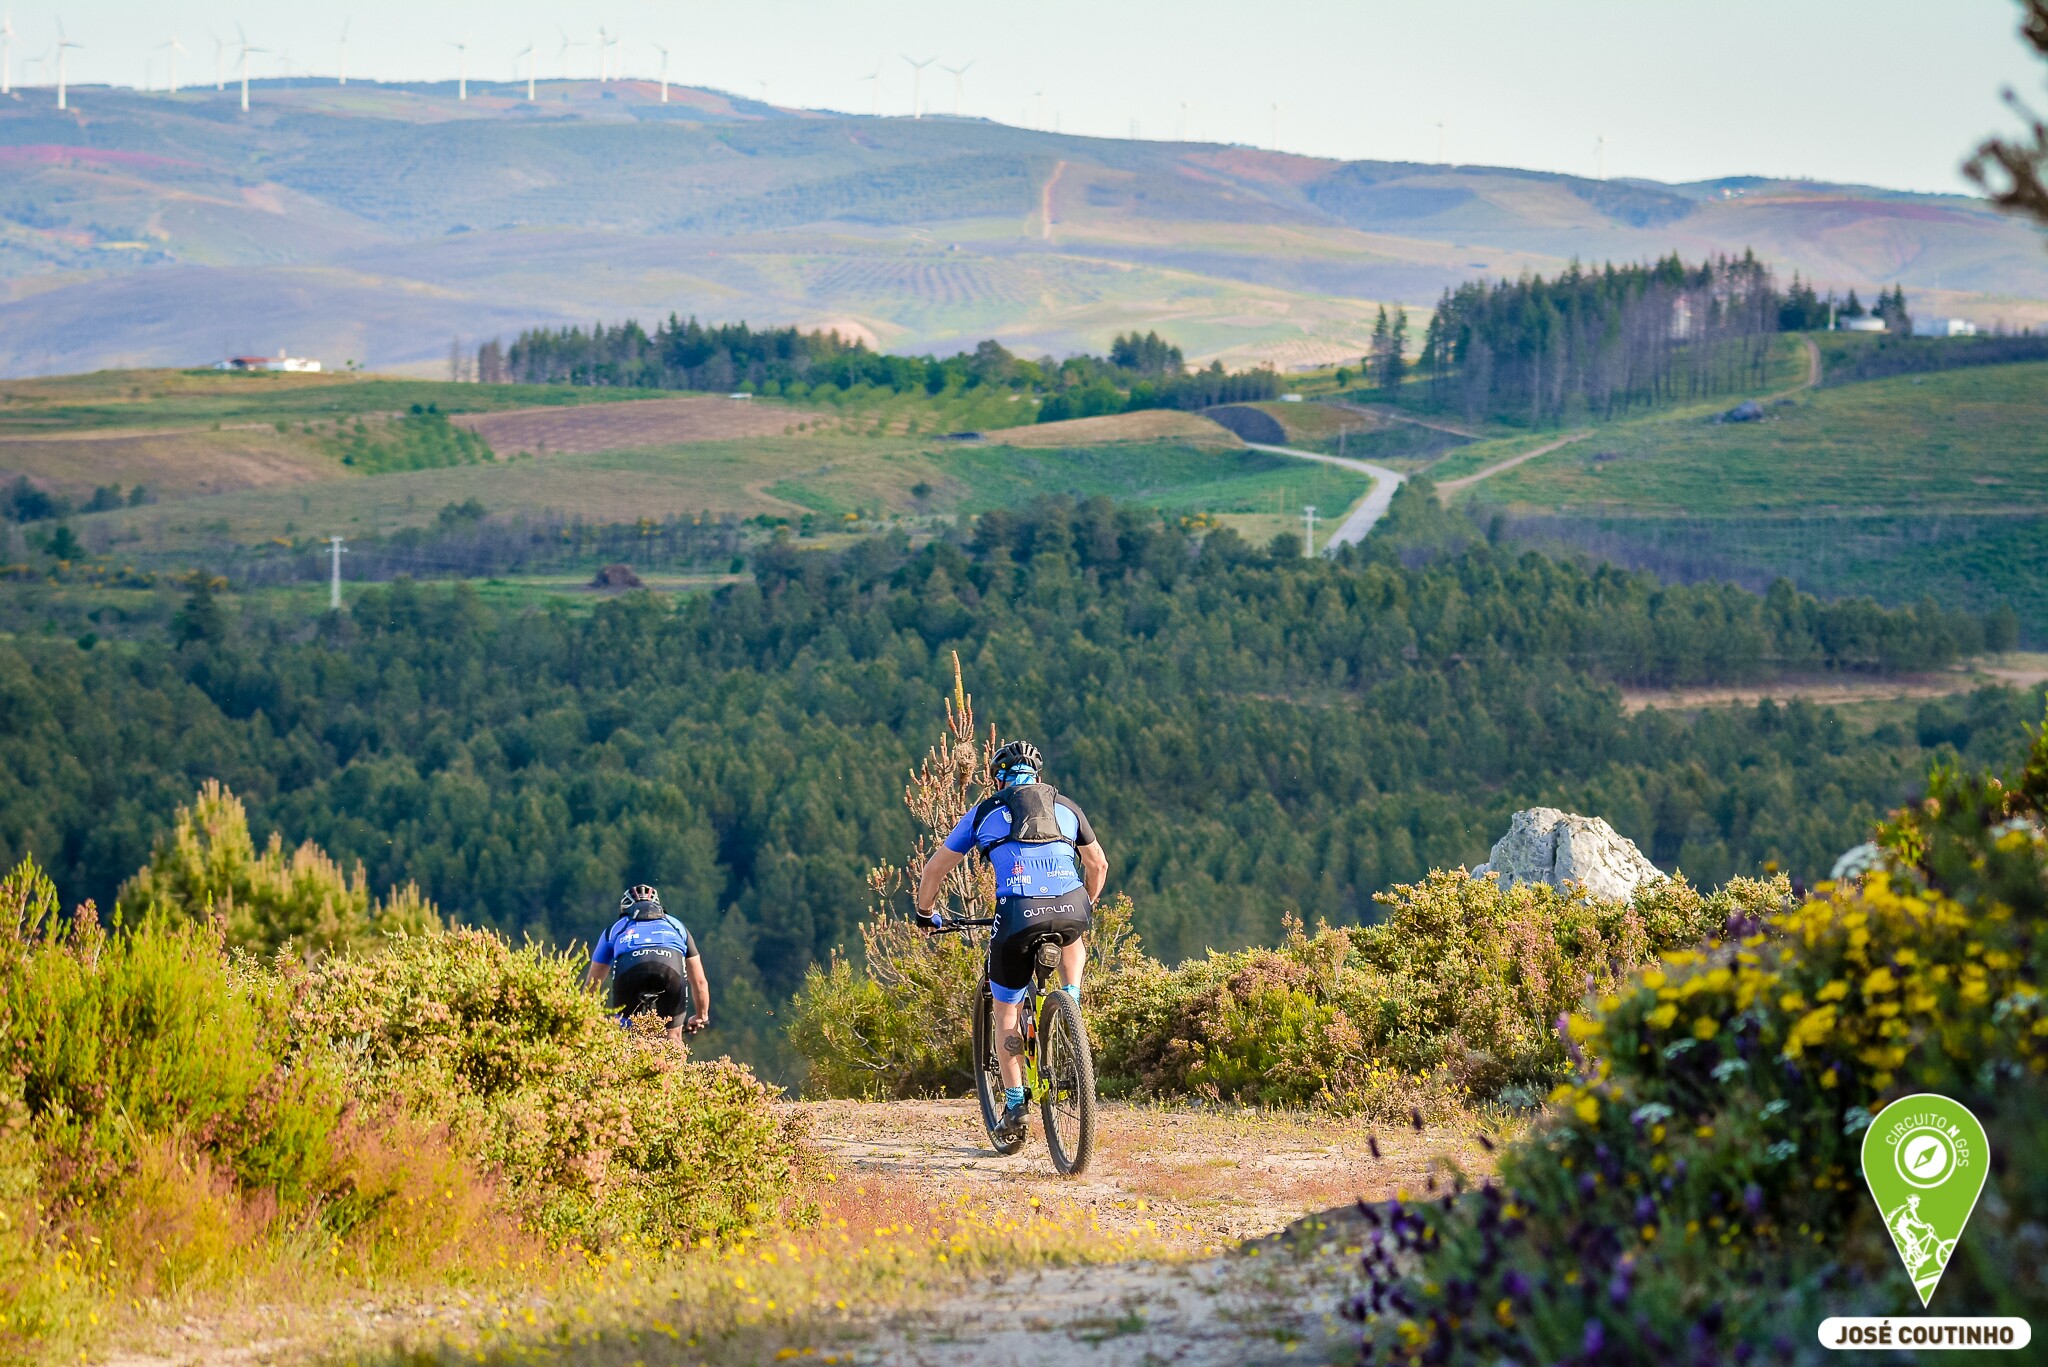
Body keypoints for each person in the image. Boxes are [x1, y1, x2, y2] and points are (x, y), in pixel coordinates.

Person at [912, 740, 1108, 1145]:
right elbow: (1098, 864)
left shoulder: (984, 811)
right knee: (1072, 935)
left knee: (1006, 1011)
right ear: (1038, 777)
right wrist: (1086, 903)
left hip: (1019, 914)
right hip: (1071, 905)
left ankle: (1016, 1105)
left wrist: (926, 913)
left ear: (996, 780)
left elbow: (934, 870)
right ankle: (1071, 1000)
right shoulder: (1066, 807)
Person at [586, 884, 710, 1041]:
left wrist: (585, 1016)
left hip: (630, 972)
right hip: (669, 969)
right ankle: (673, 1051)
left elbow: (593, 982)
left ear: (625, 910)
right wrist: (701, 1016)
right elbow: (699, 982)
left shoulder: (614, 929)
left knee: (625, 1037)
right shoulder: (677, 926)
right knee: (672, 1037)